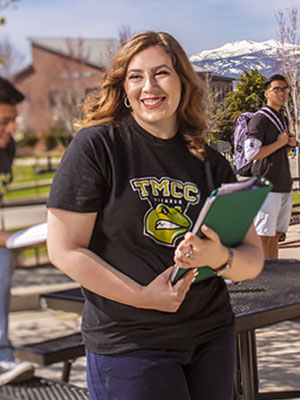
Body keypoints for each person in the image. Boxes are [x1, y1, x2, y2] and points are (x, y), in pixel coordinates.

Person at [47, 31, 264, 400]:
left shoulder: (210, 161)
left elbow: (253, 258)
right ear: (123, 88)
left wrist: (220, 258)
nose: (149, 86)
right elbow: (64, 249)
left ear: (183, 81)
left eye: (161, 72)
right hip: (130, 343)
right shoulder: (98, 147)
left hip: (212, 337)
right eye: (136, 76)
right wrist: (143, 296)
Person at [0, 78, 34, 385]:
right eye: (3, 122)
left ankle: (2, 357)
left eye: (13, 121)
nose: (11, 129)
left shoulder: (5, 149)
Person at [245, 74, 297, 258]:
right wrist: (279, 143)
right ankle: (261, 278)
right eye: (277, 89)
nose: (282, 93)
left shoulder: (281, 117)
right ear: (267, 93)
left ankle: (274, 276)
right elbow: (251, 154)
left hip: (283, 184)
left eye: (285, 89)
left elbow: (281, 151)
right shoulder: (260, 119)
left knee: (275, 235)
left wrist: (288, 144)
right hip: (266, 185)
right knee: (262, 235)